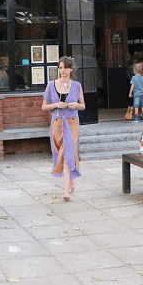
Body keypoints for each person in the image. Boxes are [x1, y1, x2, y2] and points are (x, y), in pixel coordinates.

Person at [42, 56, 85, 201]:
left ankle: (66, 190)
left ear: (71, 69)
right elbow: (44, 106)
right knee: (61, 152)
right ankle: (71, 183)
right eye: (60, 68)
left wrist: (76, 105)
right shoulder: (51, 85)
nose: (62, 70)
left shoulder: (77, 85)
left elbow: (83, 105)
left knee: (68, 153)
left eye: (65, 67)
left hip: (72, 122)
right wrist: (55, 105)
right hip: (57, 123)